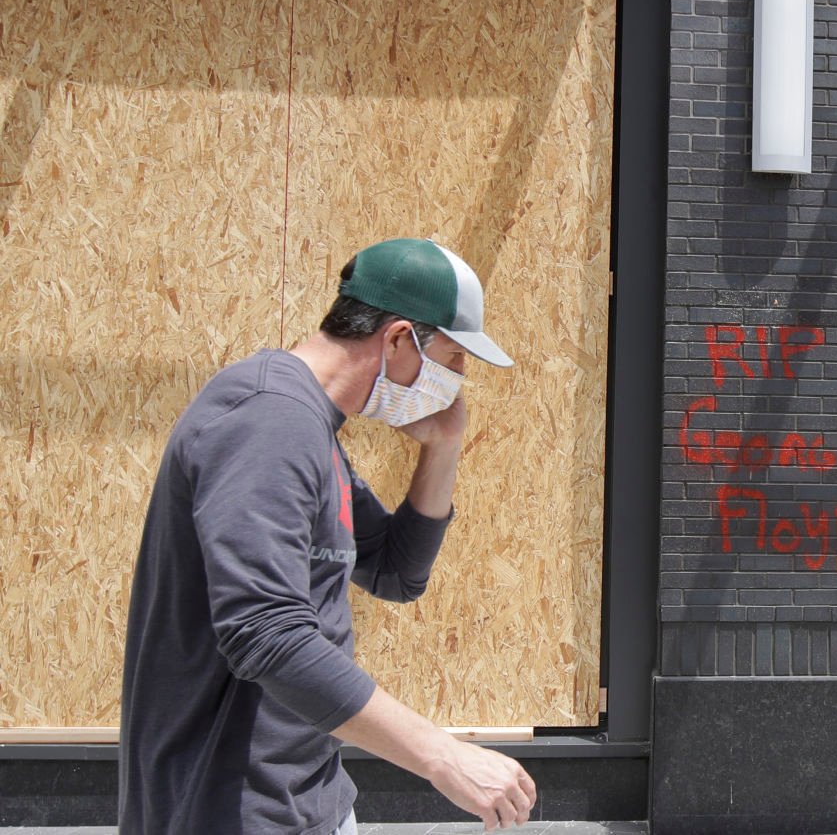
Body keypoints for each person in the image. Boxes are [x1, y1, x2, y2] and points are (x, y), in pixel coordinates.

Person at [119, 238, 537, 834]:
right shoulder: (268, 418)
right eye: (452, 358)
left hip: (303, 799)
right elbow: (264, 631)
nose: (459, 378)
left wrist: (444, 445)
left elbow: (394, 572)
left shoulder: (310, 427)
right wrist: (443, 755)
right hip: (226, 809)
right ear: (397, 340)